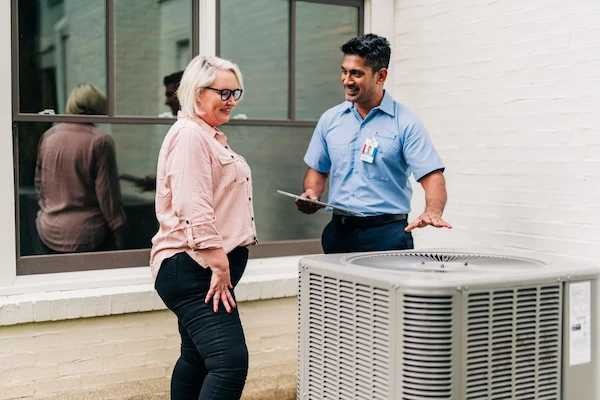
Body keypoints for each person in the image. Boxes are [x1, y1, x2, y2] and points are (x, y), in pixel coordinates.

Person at [150, 55, 257, 400]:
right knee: (229, 361)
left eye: (235, 92)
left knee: (196, 358)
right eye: (222, 92)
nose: (231, 100)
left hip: (202, 268)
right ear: (197, 93)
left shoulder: (206, 136)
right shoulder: (190, 135)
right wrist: (219, 262)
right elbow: (193, 207)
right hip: (195, 267)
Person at [297, 33, 451, 254]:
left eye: (356, 73)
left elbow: (433, 177)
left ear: (381, 76)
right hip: (337, 234)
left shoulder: (406, 123)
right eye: (344, 71)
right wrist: (311, 193)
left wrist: (433, 211)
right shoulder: (330, 119)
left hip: (386, 235)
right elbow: (318, 170)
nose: (346, 80)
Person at [35, 84, 126, 253]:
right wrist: (118, 228)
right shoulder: (100, 141)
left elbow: (40, 184)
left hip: (48, 231)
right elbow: (107, 195)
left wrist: (46, 211)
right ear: (98, 107)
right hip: (88, 234)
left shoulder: (49, 136)